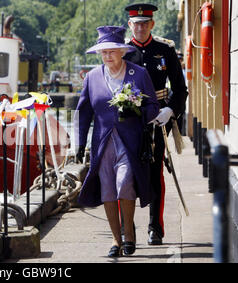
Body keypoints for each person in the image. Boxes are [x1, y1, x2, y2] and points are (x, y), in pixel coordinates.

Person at [74, 26, 159, 257]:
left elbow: (153, 107)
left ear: (122, 51)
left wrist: (138, 110)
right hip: (103, 143)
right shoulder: (92, 77)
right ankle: (115, 240)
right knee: (108, 190)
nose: (107, 55)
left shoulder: (138, 74)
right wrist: (80, 144)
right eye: (103, 52)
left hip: (130, 142)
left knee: (124, 183)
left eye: (112, 51)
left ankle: (128, 232)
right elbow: (84, 113)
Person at [124, 3, 189, 245]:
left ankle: (156, 228)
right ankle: (126, 229)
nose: (140, 27)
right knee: (126, 174)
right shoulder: (123, 51)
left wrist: (170, 110)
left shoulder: (165, 49)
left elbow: (180, 88)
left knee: (155, 174)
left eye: (145, 23)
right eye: (136, 23)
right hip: (129, 120)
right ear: (130, 25)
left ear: (151, 24)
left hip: (158, 119)